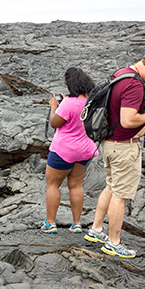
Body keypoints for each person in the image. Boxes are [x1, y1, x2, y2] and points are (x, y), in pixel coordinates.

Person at [85, 49, 145, 258]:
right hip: (123, 147)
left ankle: (96, 230)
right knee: (121, 194)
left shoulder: (121, 74)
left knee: (111, 186)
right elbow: (128, 120)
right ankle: (113, 243)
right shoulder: (134, 85)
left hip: (109, 143)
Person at [41, 67, 97, 234]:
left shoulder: (68, 103)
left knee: (53, 184)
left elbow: (54, 123)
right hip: (85, 150)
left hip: (63, 150)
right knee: (76, 186)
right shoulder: (92, 102)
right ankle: (77, 224)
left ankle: (50, 224)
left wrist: (54, 107)